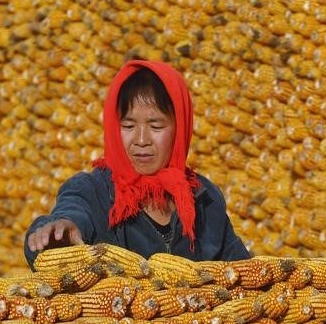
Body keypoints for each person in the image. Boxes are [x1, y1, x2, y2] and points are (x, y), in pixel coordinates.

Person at [24, 60, 250, 268]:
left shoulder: (205, 199)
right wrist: (55, 232)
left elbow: (242, 269)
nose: (141, 140)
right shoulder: (93, 191)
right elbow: (71, 213)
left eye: (156, 126)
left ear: (179, 128)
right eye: (129, 126)